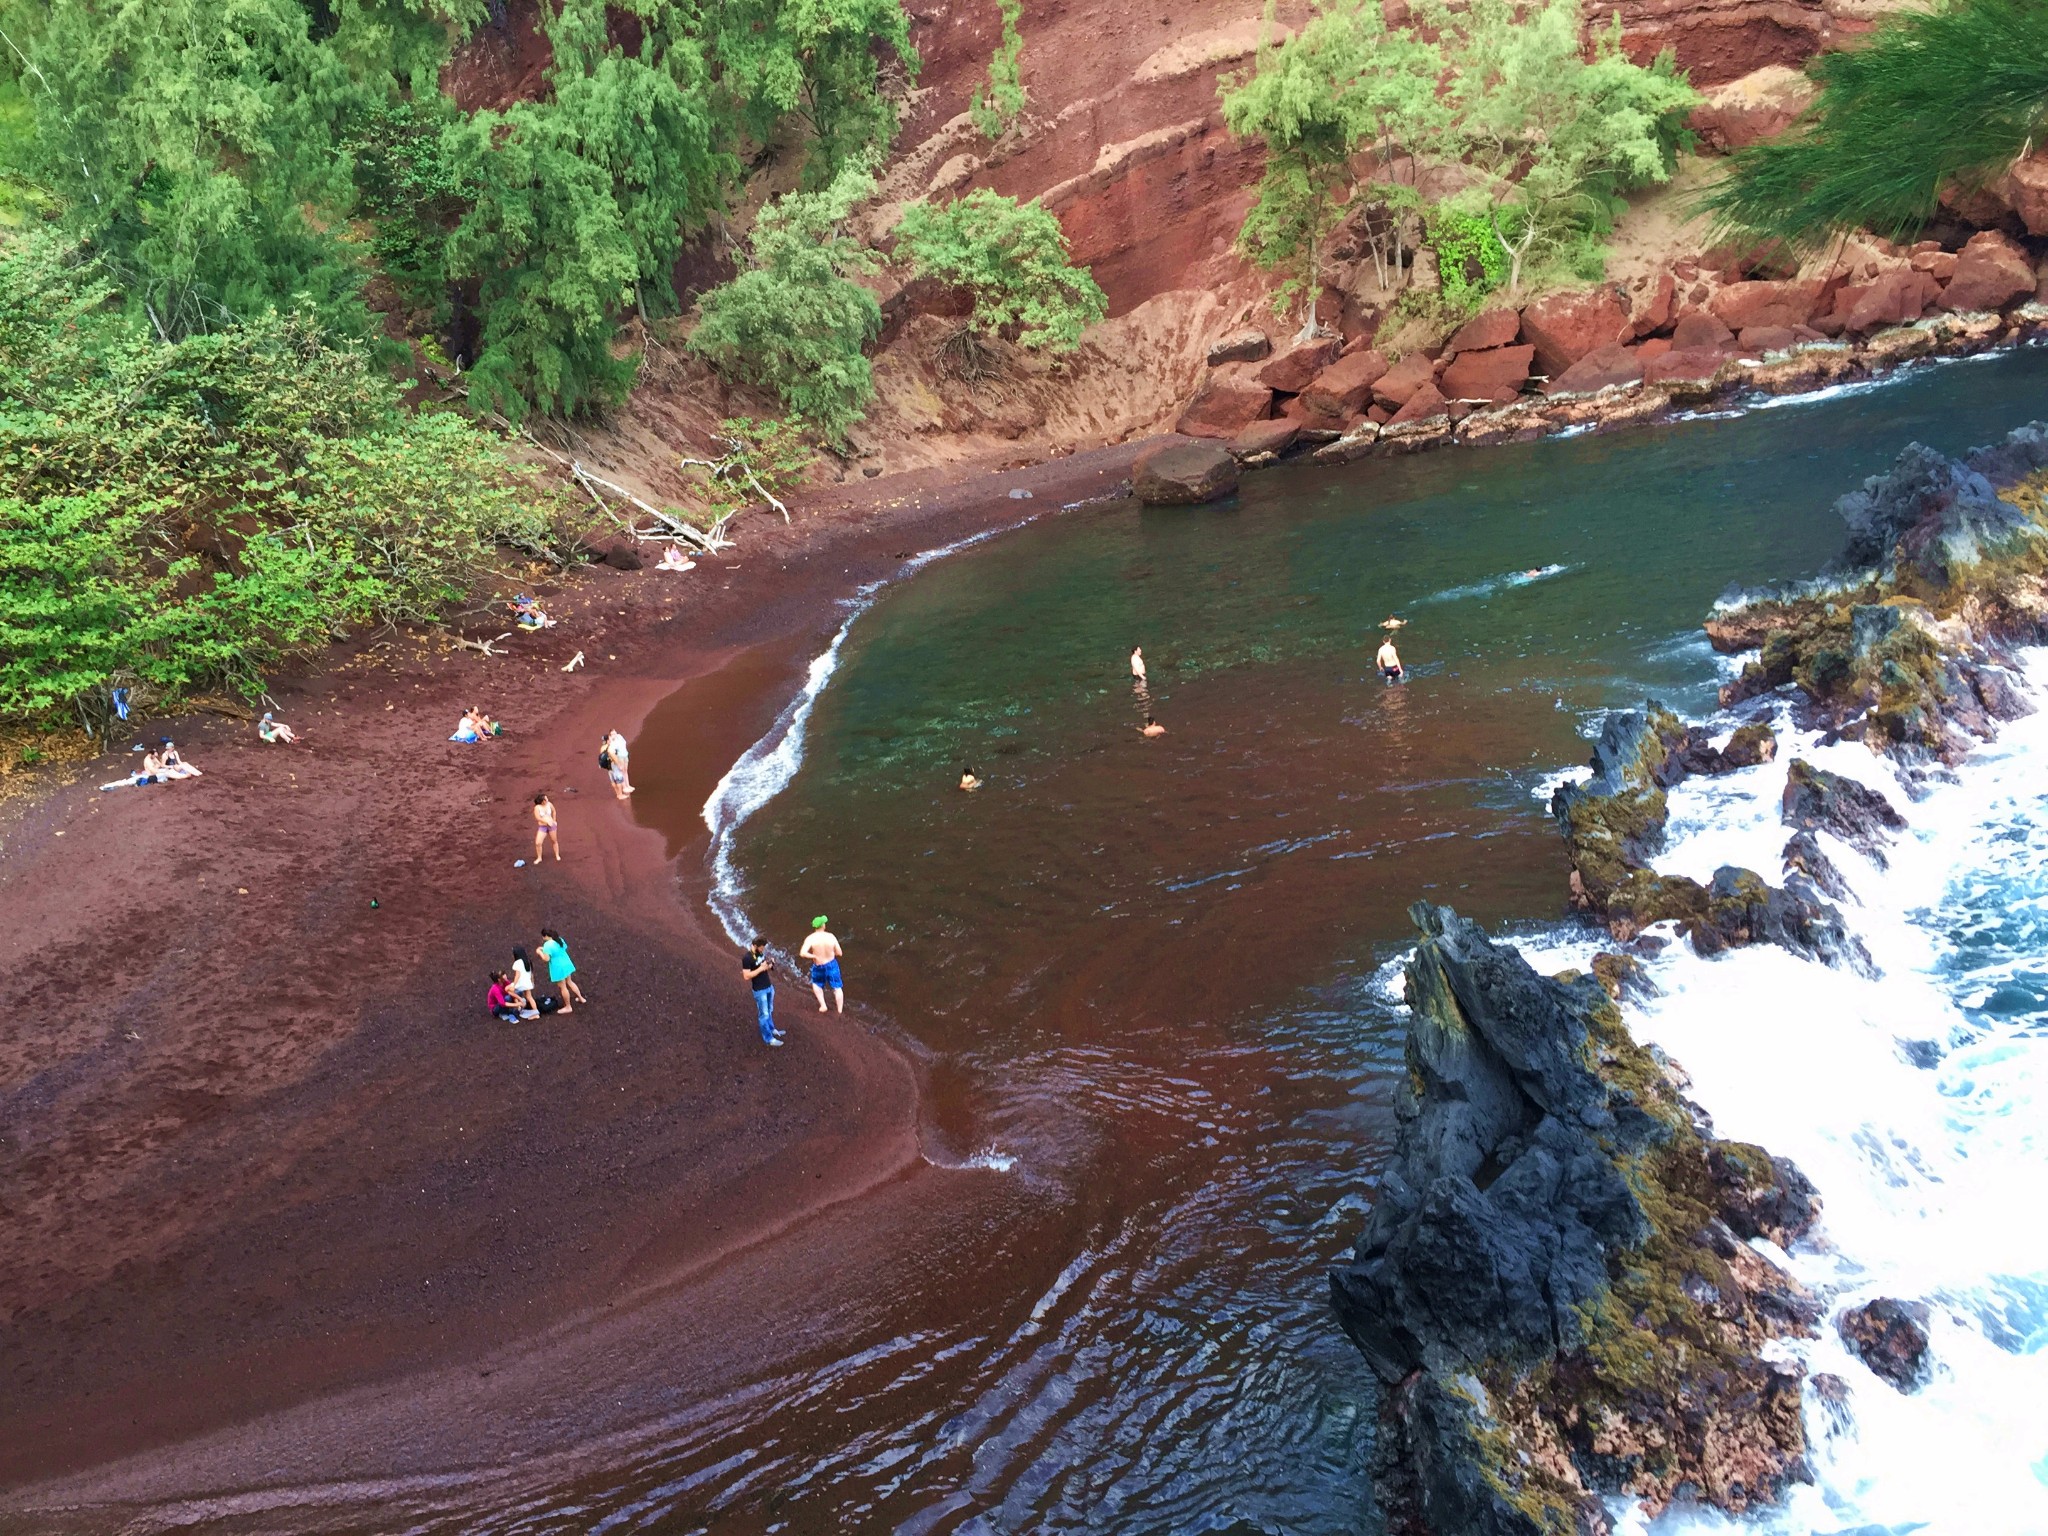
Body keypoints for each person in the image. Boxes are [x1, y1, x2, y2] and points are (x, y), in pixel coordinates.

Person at [742, 937, 783, 1047]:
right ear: (755, 946)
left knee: (769, 1010)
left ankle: (771, 1028)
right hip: (759, 990)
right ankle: (768, 1038)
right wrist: (761, 968)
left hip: (768, 986)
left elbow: (764, 967)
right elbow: (746, 976)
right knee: (763, 1014)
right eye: (761, 947)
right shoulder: (747, 958)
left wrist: (770, 965)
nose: (763, 950)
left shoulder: (760, 954)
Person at [799, 916, 844, 1014]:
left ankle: (823, 1005)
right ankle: (839, 1010)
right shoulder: (831, 936)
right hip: (831, 964)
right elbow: (839, 953)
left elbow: (802, 953)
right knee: (837, 987)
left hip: (818, 965)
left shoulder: (810, 938)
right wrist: (831, 952)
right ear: (823, 925)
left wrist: (814, 956)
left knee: (817, 984)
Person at [538, 927, 586, 1012]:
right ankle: (581, 998)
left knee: (563, 987)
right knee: (570, 982)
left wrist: (540, 952)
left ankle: (568, 1007)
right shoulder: (559, 939)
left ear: (545, 936)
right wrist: (544, 949)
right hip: (566, 963)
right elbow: (562, 948)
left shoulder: (547, 945)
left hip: (558, 967)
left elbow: (546, 959)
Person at [508, 946, 541, 1018]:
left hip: (521, 983)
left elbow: (517, 975)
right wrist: (532, 982)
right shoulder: (528, 961)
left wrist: (514, 985)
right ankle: (536, 1013)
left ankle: (520, 1005)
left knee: (509, 990)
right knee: (529, 997)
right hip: (527, 982)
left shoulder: (517, 963)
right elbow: (531, 973)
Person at [602, 729, 633, 800]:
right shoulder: (611, 745)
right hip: (617, 761)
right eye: (612, 734)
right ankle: (621, 792)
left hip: (617, 760)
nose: (614, 735)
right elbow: (612, 753)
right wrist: (618, 764)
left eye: (615, 733)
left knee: (620, 774)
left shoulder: (604, 747)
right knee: (619, 776)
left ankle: (624, 789)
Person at [532, 792, 561, 863]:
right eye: (546, 798)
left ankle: (557, 855)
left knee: (554, 841)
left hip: (551, 826)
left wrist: (554, 820)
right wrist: (546, 822)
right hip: (543, 827)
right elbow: (538, 818)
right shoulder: (537, 808)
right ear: (542, 801)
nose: (547, 799)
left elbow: (554, 811)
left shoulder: (549, 804)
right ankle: (539, 857)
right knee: (538, 843)